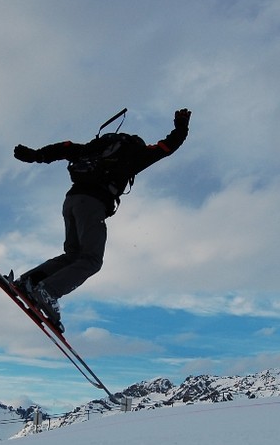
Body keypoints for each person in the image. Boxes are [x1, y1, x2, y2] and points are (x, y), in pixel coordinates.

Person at [12, 108, 191, 331]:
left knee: (73, 255)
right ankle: (47, 291)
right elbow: (167, 146)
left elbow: (64, 148)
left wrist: (36, 155)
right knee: (91, 260)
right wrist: (181, 126)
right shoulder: (134, 155)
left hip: (71, 201)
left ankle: (29, 282)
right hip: (93, 204)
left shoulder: (92, 149)